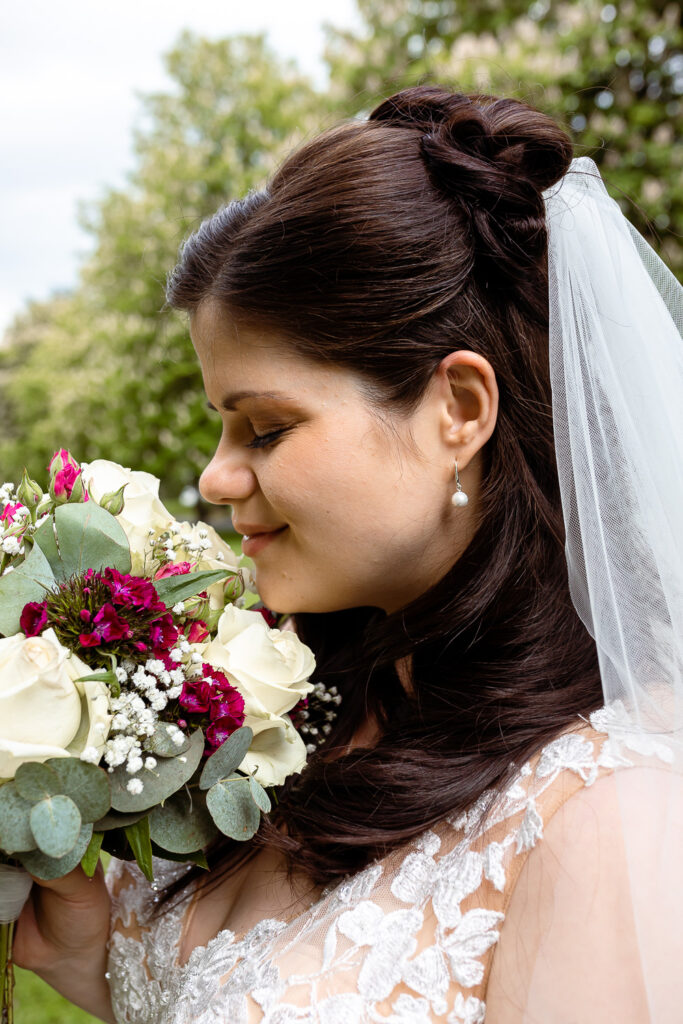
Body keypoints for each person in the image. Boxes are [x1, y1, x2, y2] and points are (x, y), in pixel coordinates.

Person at [14, 86, 683, 1023]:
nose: (214, 479)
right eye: (221, 428)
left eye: (265, 427)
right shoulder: (296, 728)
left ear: (458, 411)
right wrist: (101, 957)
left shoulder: (603, 815)